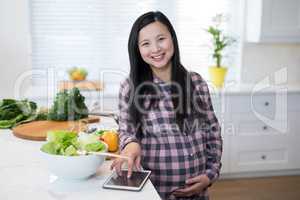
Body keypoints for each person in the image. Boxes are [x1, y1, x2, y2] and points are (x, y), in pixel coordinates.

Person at [111, 11, 222, 200]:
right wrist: (130, 145)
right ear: (137, 49)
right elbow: (126, 131)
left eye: (161, 39)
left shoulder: (195, 82)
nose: (155, 49)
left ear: (172, 38)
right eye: (146, 43)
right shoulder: (130, 87)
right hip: (154, 192)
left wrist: (210, 175)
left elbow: (212, 131)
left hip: (198, 191)